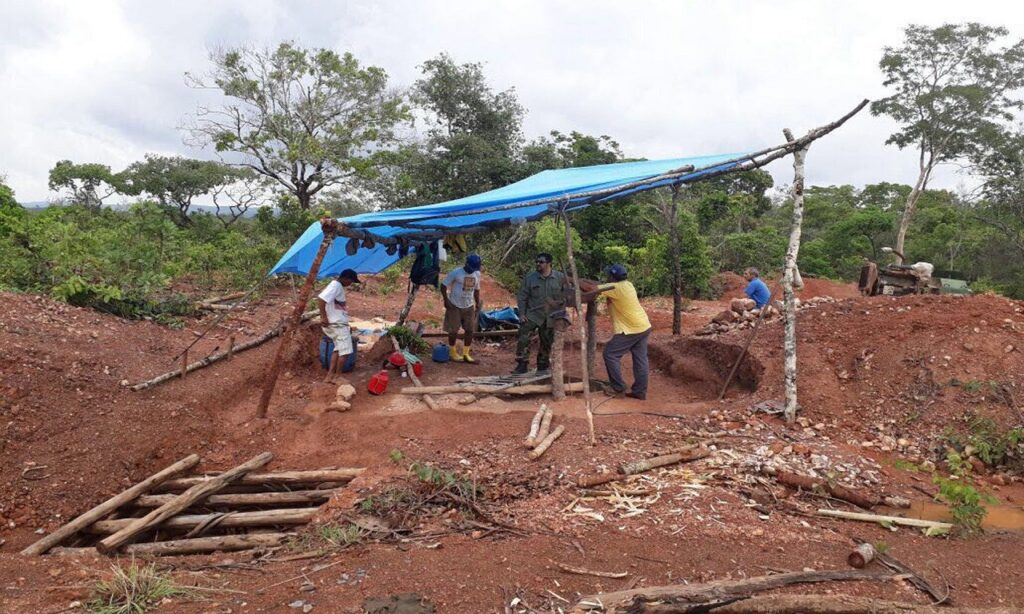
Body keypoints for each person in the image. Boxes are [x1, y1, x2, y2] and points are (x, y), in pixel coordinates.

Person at [579, 264, 652, 400]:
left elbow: (591, 288)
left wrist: (573, 280)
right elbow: (600, 286)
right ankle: (640, 391)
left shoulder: (615, 288)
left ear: (612, 277)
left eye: (609, 275)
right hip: (643, 326)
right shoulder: (627, 285)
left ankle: (618, 388)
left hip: (631, 329)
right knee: (640, 359)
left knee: (610, 354)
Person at [514, 253, 567, 374]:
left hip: (551, 316)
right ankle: (522, 363)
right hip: (533, 315)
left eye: (541, 262)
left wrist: (562, 308)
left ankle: (542, 365)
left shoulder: (560, 277)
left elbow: (567, 295)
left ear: (549, 263)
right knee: (524, 338)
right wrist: (522, 313)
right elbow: (522, 296)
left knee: (547, 341)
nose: (538, 264)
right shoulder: (530, 278)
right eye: (537, 262)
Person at [317, 268, 360, 383]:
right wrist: (323, 316)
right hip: (337, 324)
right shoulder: (336, 285)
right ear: (346, 278)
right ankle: (337, 377)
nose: (350, 284)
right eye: (351, 281)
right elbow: (321, 299)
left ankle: (330, 376)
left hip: (337, 323)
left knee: (338, 350)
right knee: (345, 351)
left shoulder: (336, 286)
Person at [441, 254, 483, 363]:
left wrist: (477, 302)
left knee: (469, 330)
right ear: (466, 264)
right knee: (453, 330)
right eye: (471, 268)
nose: (472, 270)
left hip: (469, 306)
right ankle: (453, 352)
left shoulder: (477, 274)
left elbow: (477, 290)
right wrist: (446, 300)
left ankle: (466, 354)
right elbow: (443, 285)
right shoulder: (456, 272)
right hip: (455, 305)